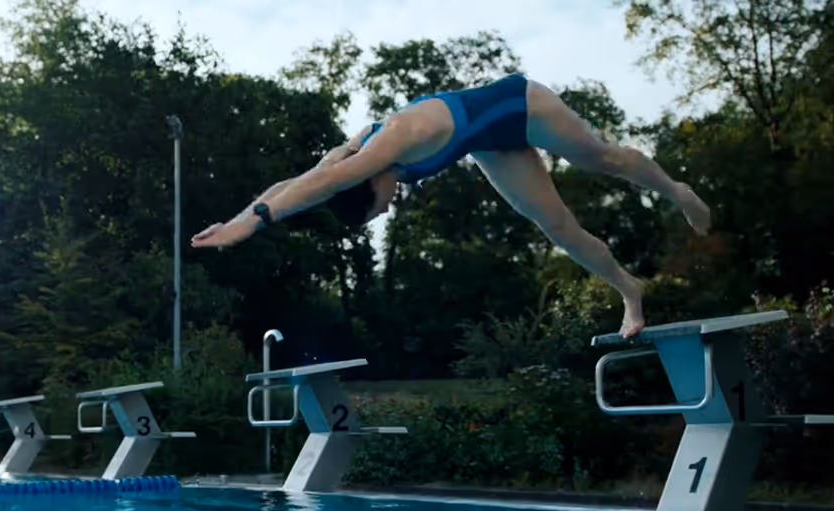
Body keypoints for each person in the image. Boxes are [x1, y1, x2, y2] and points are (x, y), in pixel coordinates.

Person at [189, 72, 711, 338]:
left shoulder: (389, 144)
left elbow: (320, 188)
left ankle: (676, 190)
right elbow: (299, 182)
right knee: (556, 226)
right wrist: (240, 217)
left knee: (602, 159)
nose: (388, 210)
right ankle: (630, 291)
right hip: (488, 144)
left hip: (519, 103)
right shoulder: (349, 155)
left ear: (368, 182)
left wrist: (251, 227)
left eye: (378, 208)